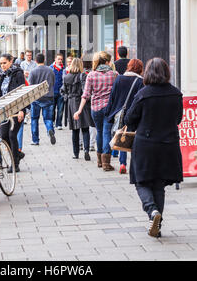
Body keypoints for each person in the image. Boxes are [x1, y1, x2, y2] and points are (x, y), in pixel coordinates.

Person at [124, 57, 183, 238]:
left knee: (141, 181)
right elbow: (178, 119)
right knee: (159, 184)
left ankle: (152, 212)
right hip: (168, 144)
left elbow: (129, 119)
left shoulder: (143, 94)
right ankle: (157, 224)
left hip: (146, 144)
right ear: (166, 72)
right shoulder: (176, 93)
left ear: (147, 73)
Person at [74, 51, 117, 171]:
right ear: (107, 62)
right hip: (109, 108)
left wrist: (79, 111)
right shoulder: (114, 74)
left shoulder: (91, 75)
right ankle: (106, 163)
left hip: (95, 108)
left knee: (99, 131)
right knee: (106, 132)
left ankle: (99, 160)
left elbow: (86, 95)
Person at [105, 59, 144, 174]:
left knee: (123, 136)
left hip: (120, 113)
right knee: (134, 137)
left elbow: (112, 97)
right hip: (134, 114)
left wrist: (108, 112)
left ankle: (122, 163)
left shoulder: (119, 79)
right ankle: (135, 165)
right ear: (140, 69)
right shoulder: (140, 82)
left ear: (129, 66)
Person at [0, 53, 26, 172]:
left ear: (11, 61)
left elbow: (22, 92)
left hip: (16, 110)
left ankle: (15, 164)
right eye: (1, 63)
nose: (3, 65)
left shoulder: (18, 73)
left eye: (5, 63)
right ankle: (17, 155)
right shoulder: (2, 75)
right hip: (4, 111)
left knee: (12, 135)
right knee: (4, 136)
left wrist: (21, 110)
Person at [61, 58, 94, 160]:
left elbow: (63, 91)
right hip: (82, 103)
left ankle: (76, 153)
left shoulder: (66, 77)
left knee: (75, 130)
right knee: (85, 128)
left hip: (71, 104)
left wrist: (67, 96)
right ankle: (86, 150)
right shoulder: (83, 76)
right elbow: (86, 91)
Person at [28, 53, 56, 146]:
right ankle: (50, 130)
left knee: (34, 119)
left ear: (35, 61)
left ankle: (35, 140)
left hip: (36, 98)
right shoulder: (50, 70)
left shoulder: (33, 71)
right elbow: (53, 82)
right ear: (44, 60)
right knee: (48, 118)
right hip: (48, 96)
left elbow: (30, 86)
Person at [50, 53, 65, 130]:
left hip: (61, 93)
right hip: (52, 92)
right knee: (52, 109)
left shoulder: (63, 69)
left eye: (61, 59)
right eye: (58, 59)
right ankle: (52, 121)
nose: (60, 61)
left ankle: (59, 123)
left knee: (60, 109)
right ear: (55, 59)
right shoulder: (51, 68)